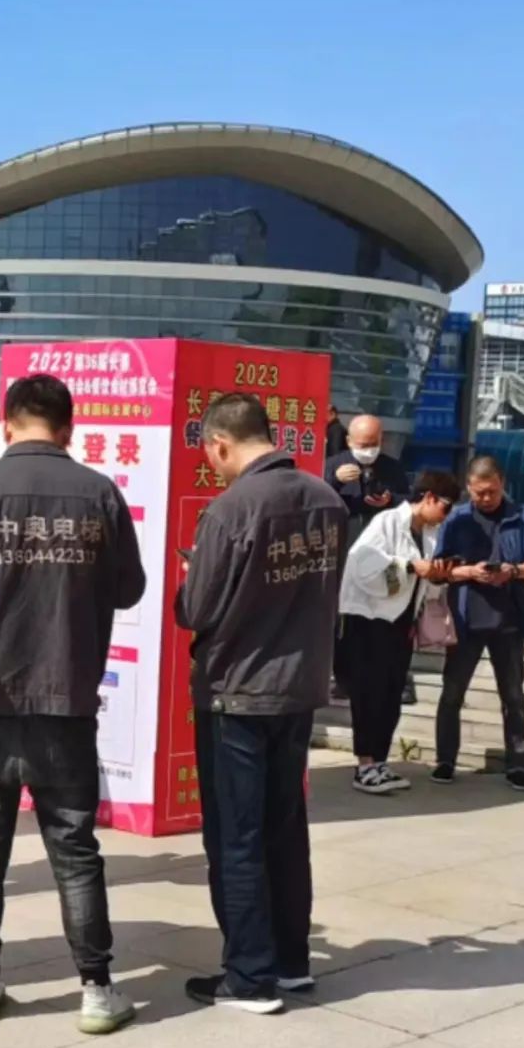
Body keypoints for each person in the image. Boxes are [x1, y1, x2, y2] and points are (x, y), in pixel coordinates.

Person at [0, 373, 146, 1036]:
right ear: (68, 429)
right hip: (66, 704)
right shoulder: (99, 492)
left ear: (8, 423)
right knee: (75, 852)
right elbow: (129, 588)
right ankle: (97, 989)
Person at [177, 393, 346, 1014]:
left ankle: (249, 976)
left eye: (209, 454)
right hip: (298, 686)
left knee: (237, 835)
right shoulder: (327, 500)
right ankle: (290, 962)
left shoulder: (231, 509)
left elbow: (197, 609)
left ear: (220, 444)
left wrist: (191, 578)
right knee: (284, 829)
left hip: (239, 691)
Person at [339, 469, 460, 795]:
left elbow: (423, 580)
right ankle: (364, 764)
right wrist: (408, 566)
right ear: (430, 498)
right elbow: (363, 567)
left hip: (401, 622)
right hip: (369, 620)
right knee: (369, 693)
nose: (446, 515)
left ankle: (379, 760)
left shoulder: (429, 533)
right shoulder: (387, 522)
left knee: (392, 694)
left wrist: (436, 575)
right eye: (446, 507)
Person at [432, 455, 524, 793]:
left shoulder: (522, 517)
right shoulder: (457, 519)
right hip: (466, 619)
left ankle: (516, 763)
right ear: (469, 488)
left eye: (491, 491)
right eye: (479, 493)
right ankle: (445, 760)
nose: (486, 498)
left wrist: (513, 571)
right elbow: (439, 568)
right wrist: (468, 572)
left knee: (513, 696)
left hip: (509, 621)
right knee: (452, 692)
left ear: (502, 483)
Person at [326, 414, 409, 699]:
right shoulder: (333, 464)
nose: (368, 450)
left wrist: (391, 500)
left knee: (381, 617)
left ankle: (378, 675)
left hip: (383, 554)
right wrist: (335, 481)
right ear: (349, 441)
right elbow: (316, 497)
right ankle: (343, 678)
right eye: (363, 444)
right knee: (344, 620)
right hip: (344, 551)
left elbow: (408, 502)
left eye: (373, 444)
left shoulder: (392, 468)